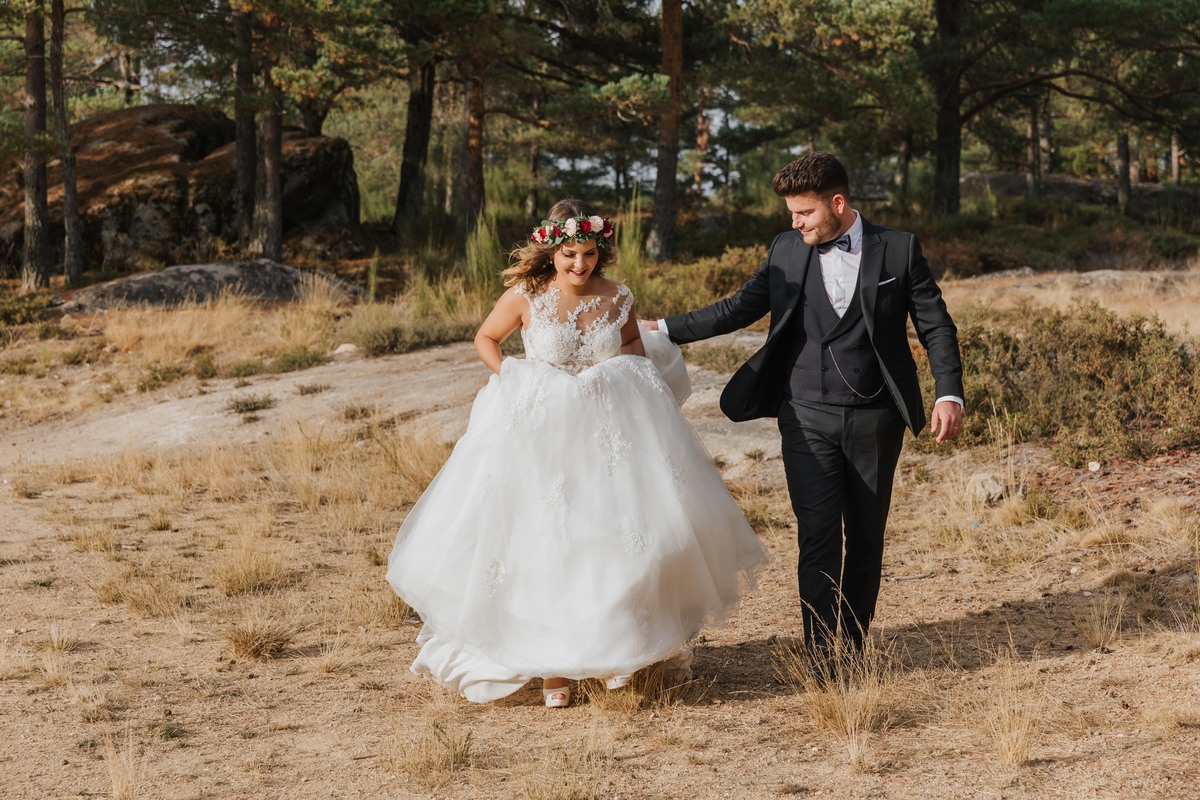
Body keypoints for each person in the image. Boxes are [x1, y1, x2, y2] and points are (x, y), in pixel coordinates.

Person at [386, 198, 766, 707]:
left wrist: (623, 379)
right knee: (546, 541)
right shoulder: (526, 295)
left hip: (609, 433)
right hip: (541, 431)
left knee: (612, 540)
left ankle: (620, 653)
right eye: (570, 255)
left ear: (600, 249)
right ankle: (553, 668)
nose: (580, 265)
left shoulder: (619, 296)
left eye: (588, 254)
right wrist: (514, 377)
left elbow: (633, 349)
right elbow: (486, 339)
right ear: (551, 250)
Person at [645, 152, 964, 656]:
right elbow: (738, 308)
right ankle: (819, 656)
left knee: (866, 537)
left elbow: (935, 325)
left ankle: (852, 647)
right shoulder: (786, 249)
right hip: (804, 415)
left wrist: (948, 391)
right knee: (817, 535)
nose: (795, 223)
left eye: (804, 212)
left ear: (837, 203)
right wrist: (661, 329)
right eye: (791, 213)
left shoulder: (899, 249)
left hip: (876, 417)